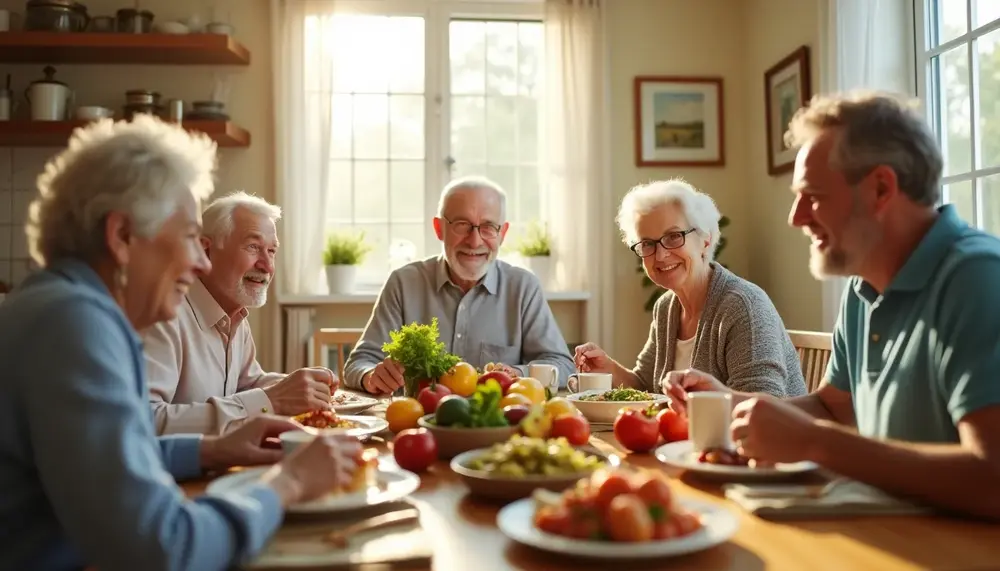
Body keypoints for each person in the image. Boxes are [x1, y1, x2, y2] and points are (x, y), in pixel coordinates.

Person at [0, 116, 361, 571]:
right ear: (122, 237)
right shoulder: (75, 325)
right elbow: (163, 549)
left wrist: (212, 449)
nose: (198, 263)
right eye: (191, 238)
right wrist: (286, 484)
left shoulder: (60, 306)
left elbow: (108, 458)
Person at [707, 91, 1000, 520]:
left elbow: (993, 480)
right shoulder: (863, 283)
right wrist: (732, 405)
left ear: (881, 188)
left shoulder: (979, 278)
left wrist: (816, 442)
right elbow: (833, 407)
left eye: (813, 195)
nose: (796, 216)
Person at [575, 179, 807, 399]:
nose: (661, 255)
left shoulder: (743, 306)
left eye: (674, 236)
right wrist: (607, 368)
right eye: (647, 244)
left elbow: (763, 405)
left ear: (705, 239)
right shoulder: (666, 307)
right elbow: (645, 387)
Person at [343, 176, 574, 394]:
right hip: (415, 426)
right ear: (438, 228)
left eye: (488, 227)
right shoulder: (403, 284)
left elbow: (562, 365)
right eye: (462, 224)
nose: (474, 241)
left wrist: (517, 373)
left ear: (502, 234)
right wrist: (371, 375)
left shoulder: (523, 287)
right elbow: (360, 362)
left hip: (497, 425)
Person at [143, 191, 337, 435]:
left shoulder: (234, 312)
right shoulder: (164, 316)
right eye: (253, 247)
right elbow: (146, 420)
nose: (266, 266)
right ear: (206, 250)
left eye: (272, 251)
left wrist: (302, 386)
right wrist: (272, 400)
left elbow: (247, 384)